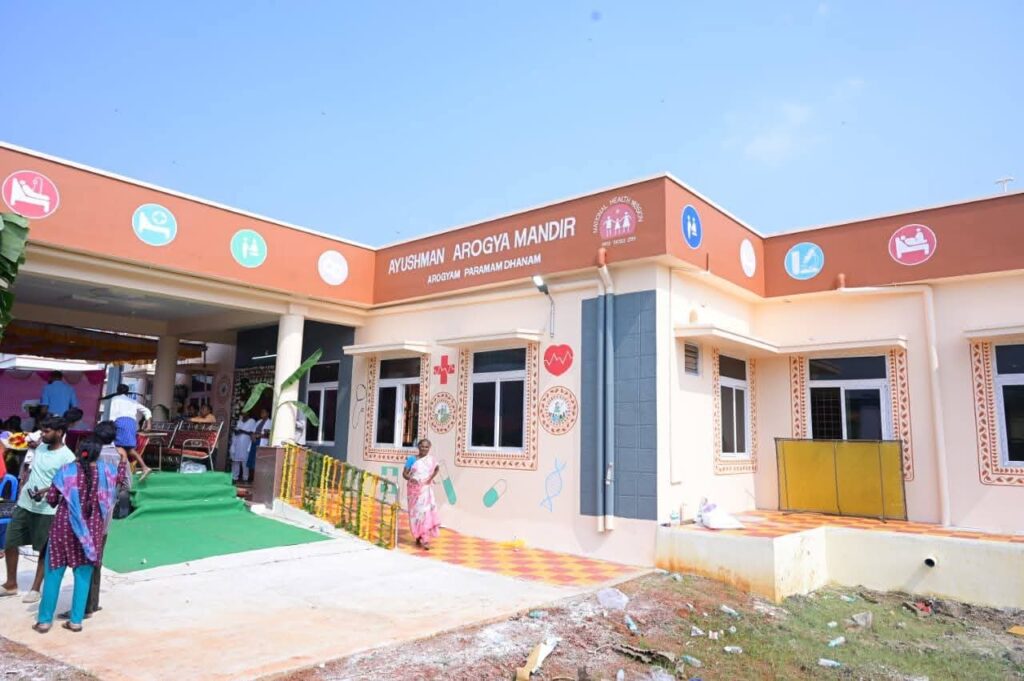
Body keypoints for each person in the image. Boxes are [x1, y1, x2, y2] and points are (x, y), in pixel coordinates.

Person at [29, 436, 118, 633]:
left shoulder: (66, 471)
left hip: (63, 528)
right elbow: (115, 492)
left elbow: (52, 499)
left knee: (53, 574)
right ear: (98, 453)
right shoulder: (108, 472)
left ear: (79, 450)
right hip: (91, 531)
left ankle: (44, 621)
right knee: (83, 575)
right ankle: (76, 621)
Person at [57, 421, 128, 622]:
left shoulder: (89, 456)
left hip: (84, 518)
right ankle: (92, 603)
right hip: (104, 518)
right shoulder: (119, 456)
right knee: (96, 560)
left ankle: (82, 608)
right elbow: (125, 483)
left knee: (82, 562)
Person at [1, 417, 74, 602]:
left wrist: (46, 491)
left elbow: (68, 484)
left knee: (43, 548)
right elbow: (17, 445)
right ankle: (11, 584)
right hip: (25, 503)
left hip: (47, 509)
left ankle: (35, 589)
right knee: (10, 541)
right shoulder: (40, 447)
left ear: (59, 433)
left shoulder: (68, 457)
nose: (43, 434)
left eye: (47, 431)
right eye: (43, 431)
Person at [104, 385, 153, 482]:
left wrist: (109, 425)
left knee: (117, 447)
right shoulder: (132, 401)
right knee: (128, 449)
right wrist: (149, 425)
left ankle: (121, 471)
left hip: (121, 422)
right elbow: (147, 411)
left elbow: (112, 415)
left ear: (117, 391)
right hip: (131, 424)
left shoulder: (115, 399)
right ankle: (143, 468)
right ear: (127, 392)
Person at [402, 438, 441, 550]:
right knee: (416, 515)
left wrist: (430, 479)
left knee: (426, 513)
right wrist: (412, 479)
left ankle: (425, 539)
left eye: (426, 447)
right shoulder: (412, 459)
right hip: (414, 491)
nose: (424, 448)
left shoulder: (431, 460)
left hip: (426, 490)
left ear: (429, 448)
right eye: (422, 446)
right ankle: (418, 535)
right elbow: (404, 474)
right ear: (418, 447)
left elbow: (437, 469)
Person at [229, 412, 257, 482]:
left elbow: (252, 433)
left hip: (246, 444)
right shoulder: (239, 421)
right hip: (237, 443)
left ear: (248, 413)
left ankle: (245, 478)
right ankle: (234, 477)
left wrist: (242, 431)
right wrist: (236, 431)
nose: (243, 414)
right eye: (242, 413)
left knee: (245, 461)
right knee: (235, 461)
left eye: (245, 412)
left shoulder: (252, 421)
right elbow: (236, 430)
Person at [247, 408, 271, 481]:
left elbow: (269, 434)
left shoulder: (270, 422)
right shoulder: (258, 421)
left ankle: (257, 479)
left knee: (258, 461)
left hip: (262, 442)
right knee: (252, 460)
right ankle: (250, 477)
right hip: (254, 442)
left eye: (264, 412)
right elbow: (252, 431)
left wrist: (259, 436)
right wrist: (252, 436)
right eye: (261, 412)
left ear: (268, 414)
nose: (262, 413)